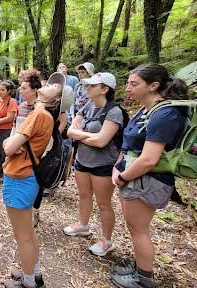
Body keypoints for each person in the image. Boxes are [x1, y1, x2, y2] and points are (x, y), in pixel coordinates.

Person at [110, 64, 188, 288]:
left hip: (148, 180)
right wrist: (119, 168)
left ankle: (144, 278)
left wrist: (123, 176)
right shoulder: (147, 109)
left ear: (153, 86)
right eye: (127, 83)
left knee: (139, 230)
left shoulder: (166, 114)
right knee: (134, 228)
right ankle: (138, 267)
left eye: (134, 84)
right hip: (134, 177)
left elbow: (149, 159)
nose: (127, 88)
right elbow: (131, 145)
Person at [1, 71, 73, 288]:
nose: (48, 84)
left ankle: (28, 281)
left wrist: (11, 143)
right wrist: (15, 143)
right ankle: (33, 270)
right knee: (28, 232)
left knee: (22, 235)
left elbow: (8, 147)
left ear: (56, 99)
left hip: (20, 177)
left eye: (55, 86)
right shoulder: (42, 115)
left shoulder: (39, 115)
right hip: (27, 176)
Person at [63, 72, 123, 257]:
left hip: (103, 164)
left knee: (104, 203)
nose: (87, 88)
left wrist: (83, 135)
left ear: (105, 89)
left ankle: (107, 240)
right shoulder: (88, 105)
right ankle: (83, 225)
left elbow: (102, 141)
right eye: (87, 85)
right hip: (82, 160)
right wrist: (91, 136)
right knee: (83, 195)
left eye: (92, 85)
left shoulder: (114, 111)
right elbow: (70, 131)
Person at [0, 80, 18, 183]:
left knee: (4, 151)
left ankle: (7, 173)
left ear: (8, 91)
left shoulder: (12, 101)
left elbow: (10, 117)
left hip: (6, 130)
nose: (0, 92)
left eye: (2, 90)